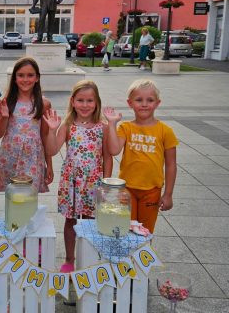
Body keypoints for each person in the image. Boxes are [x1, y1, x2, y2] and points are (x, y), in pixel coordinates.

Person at [44, 80, 112, 273]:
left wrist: (106, 185)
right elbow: (52, 149)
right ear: (72, 101)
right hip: (72, 181)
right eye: (80, 100)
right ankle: (69, 259)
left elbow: (108, 157)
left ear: (97, 102)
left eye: (89, 100)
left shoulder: (103, 127)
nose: (85, 105)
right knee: (70, 220)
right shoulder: (67, 125)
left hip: (94, 182)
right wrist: (51, 129)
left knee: (90, 221)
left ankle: (88, 258)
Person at [103, 79, 178, 233]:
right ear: (130, 103)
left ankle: (143, 256)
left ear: (157, 103)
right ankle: (127, 258)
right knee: (126, 230)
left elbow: (171, 165)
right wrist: (112, 124)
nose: (144, 104)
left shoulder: (165, 131)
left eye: (150, 100)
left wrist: (168, 194)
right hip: (127, 189)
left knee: (145, 232)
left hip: (152, 191)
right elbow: (114, 150)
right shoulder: (126, 127)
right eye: (139, 100)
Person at [0, 57, 54, 192]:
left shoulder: (44, 104)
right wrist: (4, 117)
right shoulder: (7, 102)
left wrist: (49, 164)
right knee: (12, 197)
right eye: (21, 75)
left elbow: (44, 136)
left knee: (29, 195)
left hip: (33, 157)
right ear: (14, 78)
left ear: (37, 78)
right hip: (10, 156)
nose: (25, 79)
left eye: (30, 75)